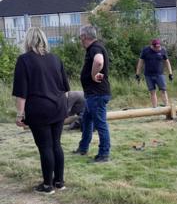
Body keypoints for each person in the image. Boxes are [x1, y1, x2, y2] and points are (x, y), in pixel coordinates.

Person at [12, 27, 70, 194]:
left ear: (28, 41)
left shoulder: (24, 60)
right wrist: (65, 108)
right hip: (58, 106)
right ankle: (59, 182)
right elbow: (65, 88)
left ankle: (47, 186)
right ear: (44, 40)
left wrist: (20, 114)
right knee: (56, 145)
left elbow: (21, 92)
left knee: (45, 147)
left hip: (39, 109)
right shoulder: (55, 58)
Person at [73, 25, 111, 162]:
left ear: (84, 37)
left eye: (80, 37)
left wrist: (94, 75)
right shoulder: (95, 47)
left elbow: (99, 61)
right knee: (86, 120)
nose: (80, 40)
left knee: (100, 124)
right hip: (92, 94)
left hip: (97, 94)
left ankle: (104, 154)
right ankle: (83, 148)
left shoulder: (95, 48)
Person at [135, 39, 173, 108]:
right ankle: (155, 108)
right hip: (148, 75)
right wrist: (137, 74)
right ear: (152, 46)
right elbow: (140, 62)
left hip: (160, 74)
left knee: (163, 90)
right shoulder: (145, 50)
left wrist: (170, 73)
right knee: (152, 92)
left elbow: (167, 62)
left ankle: (167, 107)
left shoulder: (162, 50)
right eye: (156, 48)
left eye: (159, 47)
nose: (158, 49)